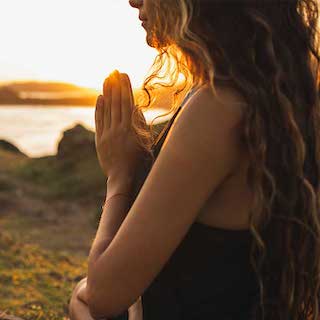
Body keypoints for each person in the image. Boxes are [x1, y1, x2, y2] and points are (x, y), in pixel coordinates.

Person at [69, 0, 320, 319]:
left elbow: (104, 296)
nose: (133, 1)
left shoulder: (218, 107)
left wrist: (120, 174)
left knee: (83, 301)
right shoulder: (278, 98)